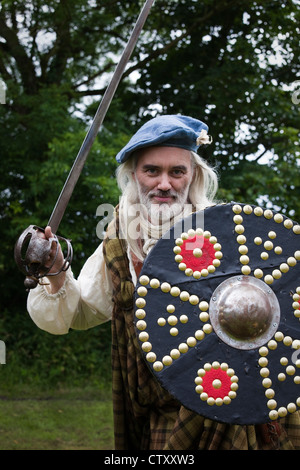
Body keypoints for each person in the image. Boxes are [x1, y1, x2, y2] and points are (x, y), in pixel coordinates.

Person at [27, 114, 300, 450]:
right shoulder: (118, 244)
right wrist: (56, 273)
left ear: (193, 175)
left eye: (177, 171)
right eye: (151, 170)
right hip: (161, 418)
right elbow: (80, 313)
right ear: (133, 175)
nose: (164, 184)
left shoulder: (227, 237)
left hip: (229, 406)